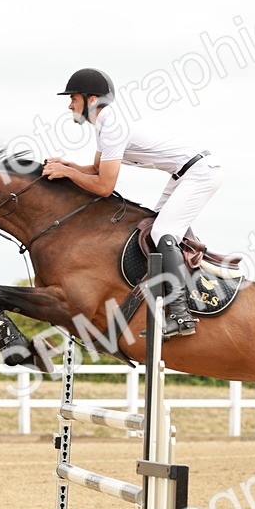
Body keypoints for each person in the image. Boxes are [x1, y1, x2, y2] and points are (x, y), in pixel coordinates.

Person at [42, 68, 222, 339]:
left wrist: (67, 173)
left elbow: (104, 187)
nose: (70, 105)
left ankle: (181, 314)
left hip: (200, 173)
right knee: (153, 230)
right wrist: (69, 165)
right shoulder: (103, 125)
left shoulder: (111, 126)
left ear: (92, 99)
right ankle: (185, 283)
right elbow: (96, 169)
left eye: (73, 98)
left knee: (163, 232)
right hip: (184, 174)